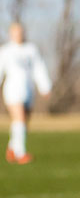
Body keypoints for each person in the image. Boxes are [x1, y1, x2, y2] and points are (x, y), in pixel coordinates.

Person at [0, 22, 51, 164]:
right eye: (15, 32)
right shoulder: (5, 51)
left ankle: (11, 147)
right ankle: (20, 153)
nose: (18, 35)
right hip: (12, 90)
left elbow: (39, 68)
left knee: (24, 121)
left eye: (20, 32)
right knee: (20, 118)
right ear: (11, 34)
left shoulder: (31, 49)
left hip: (28, 90)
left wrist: (45, 86)